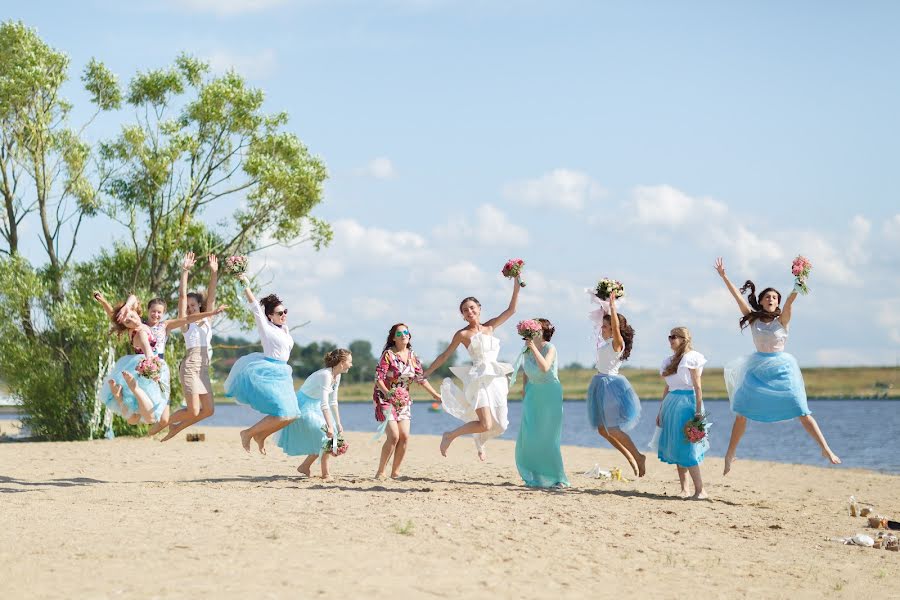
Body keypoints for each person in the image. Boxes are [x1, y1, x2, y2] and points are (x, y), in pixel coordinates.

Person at [715, 257, 841, 474]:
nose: (771, 299)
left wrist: (799, 280)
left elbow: (791, 300)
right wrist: (724, 276)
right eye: (768, 297)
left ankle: (825, 449)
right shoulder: (753, 319)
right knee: (741, 411)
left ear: (777, 302)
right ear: (762, 301)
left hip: (782, 369)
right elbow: (737, 298)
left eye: (774, 297)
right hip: (756, 370)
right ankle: (730, 455)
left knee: (801, 410)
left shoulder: (782, 320)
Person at [424, 275, 521, 461]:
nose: (469, 311)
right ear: (462, 315)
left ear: (479, 309)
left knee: (499, 424)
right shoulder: (462, 334)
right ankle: (450, 435)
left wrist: (516, 287)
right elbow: (445, 355)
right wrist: (426, 373)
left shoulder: (490, 326)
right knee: (485, 423)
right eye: (465, 310)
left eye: (472, 308)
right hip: (478, 379)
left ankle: (479, 441)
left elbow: (511, 310)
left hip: (496, 378)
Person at [94, 293, 224, 427]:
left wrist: (209, 313)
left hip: (159, 367)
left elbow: (188, 319)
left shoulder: (164, 325)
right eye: (153, 311)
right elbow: (116, 318)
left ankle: (151, 426)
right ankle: (127, 398)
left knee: (156, 418)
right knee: (140, 415)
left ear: (163, 313)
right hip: (143, 367)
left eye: (159, 312)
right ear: (148, 311)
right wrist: (107, 303)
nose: (156, 314)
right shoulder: (136, 324)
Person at [226, 273, 298, 454]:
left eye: (285, 312)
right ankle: (248, 433)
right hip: (269, 372)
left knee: (293, 415)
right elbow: (255, 307)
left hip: (283, 373)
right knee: (282, 413)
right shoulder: (266, 327)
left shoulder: (285, 329)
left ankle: (260, 436)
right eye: (280, 313)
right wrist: (245, 283)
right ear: (270, 316)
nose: (284, 315)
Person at [161, 252, 219, 441]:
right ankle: (165, 421)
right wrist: (184, 272)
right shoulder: (185, 324)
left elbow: (211, 296)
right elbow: (181, 298)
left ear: (200, 306)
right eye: (188, 306)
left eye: (193, 305)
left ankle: (176, 428)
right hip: (190, 365)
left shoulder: (207, 318)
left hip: (203, 367)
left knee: (208, 410)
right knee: (194, 410)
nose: (190, 308)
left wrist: (214, 273)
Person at [585, 293, 645, 476]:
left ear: (614, 329)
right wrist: (603, 303)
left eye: (605, 327)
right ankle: (629, 455)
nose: (601, 329)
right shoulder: (607, 343)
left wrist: (613, 308)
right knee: (603, 430)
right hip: (599, 383)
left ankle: (638, 456)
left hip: (610, 386)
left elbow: (617, 328)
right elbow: (609, 324)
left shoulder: (617, 344)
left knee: (612, 428)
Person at [373, 323, 441, 479]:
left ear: (409, 335)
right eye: (399, 333)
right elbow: (379, 379)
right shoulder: (388, 355)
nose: (403, 334)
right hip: (385, 398)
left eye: (405, 332)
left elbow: (420, 378)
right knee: (394, 436)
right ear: (393, 338)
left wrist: (435, 394)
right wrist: (388, 393)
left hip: (403, 400)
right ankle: (380, 471)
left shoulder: (412, 356)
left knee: (404, 436)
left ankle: (395, 472)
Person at [277, 349, 353, 481]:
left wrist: (337, 422)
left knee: (332, 433)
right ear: (341, 363)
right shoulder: (325, 375)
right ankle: (326, 474)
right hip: (303, 406)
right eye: (350, 362)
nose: (351, 365)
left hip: (316, 405)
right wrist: (329, 426)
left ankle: (305, 466)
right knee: (325, 435)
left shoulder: (337, 375)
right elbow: (325, 404)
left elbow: (333, 401)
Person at [513, 318, 569, 488]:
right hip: (533, 394)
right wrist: (524, 392)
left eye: (536, 326)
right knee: (530, 436)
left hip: (549, 393)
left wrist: (532, 348)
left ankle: (559, 478)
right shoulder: (527, 351)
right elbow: (525, 372)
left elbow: (544, 368)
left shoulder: (550, 348)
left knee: (549, 438)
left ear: (543, 330)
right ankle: (535, 475)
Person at [655, 327, 708, 500]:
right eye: (669, 337)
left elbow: (698, 386)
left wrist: (698, 412)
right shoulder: (669, 361)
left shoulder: (692, 358)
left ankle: (700, 490)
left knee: (688, 446)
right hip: (671, 404)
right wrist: (661, 410)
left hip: (687, 404)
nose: (670, 340)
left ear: (683, 339)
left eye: (674, 337)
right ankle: (684, 489)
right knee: (677, 445)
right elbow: (667, 387)